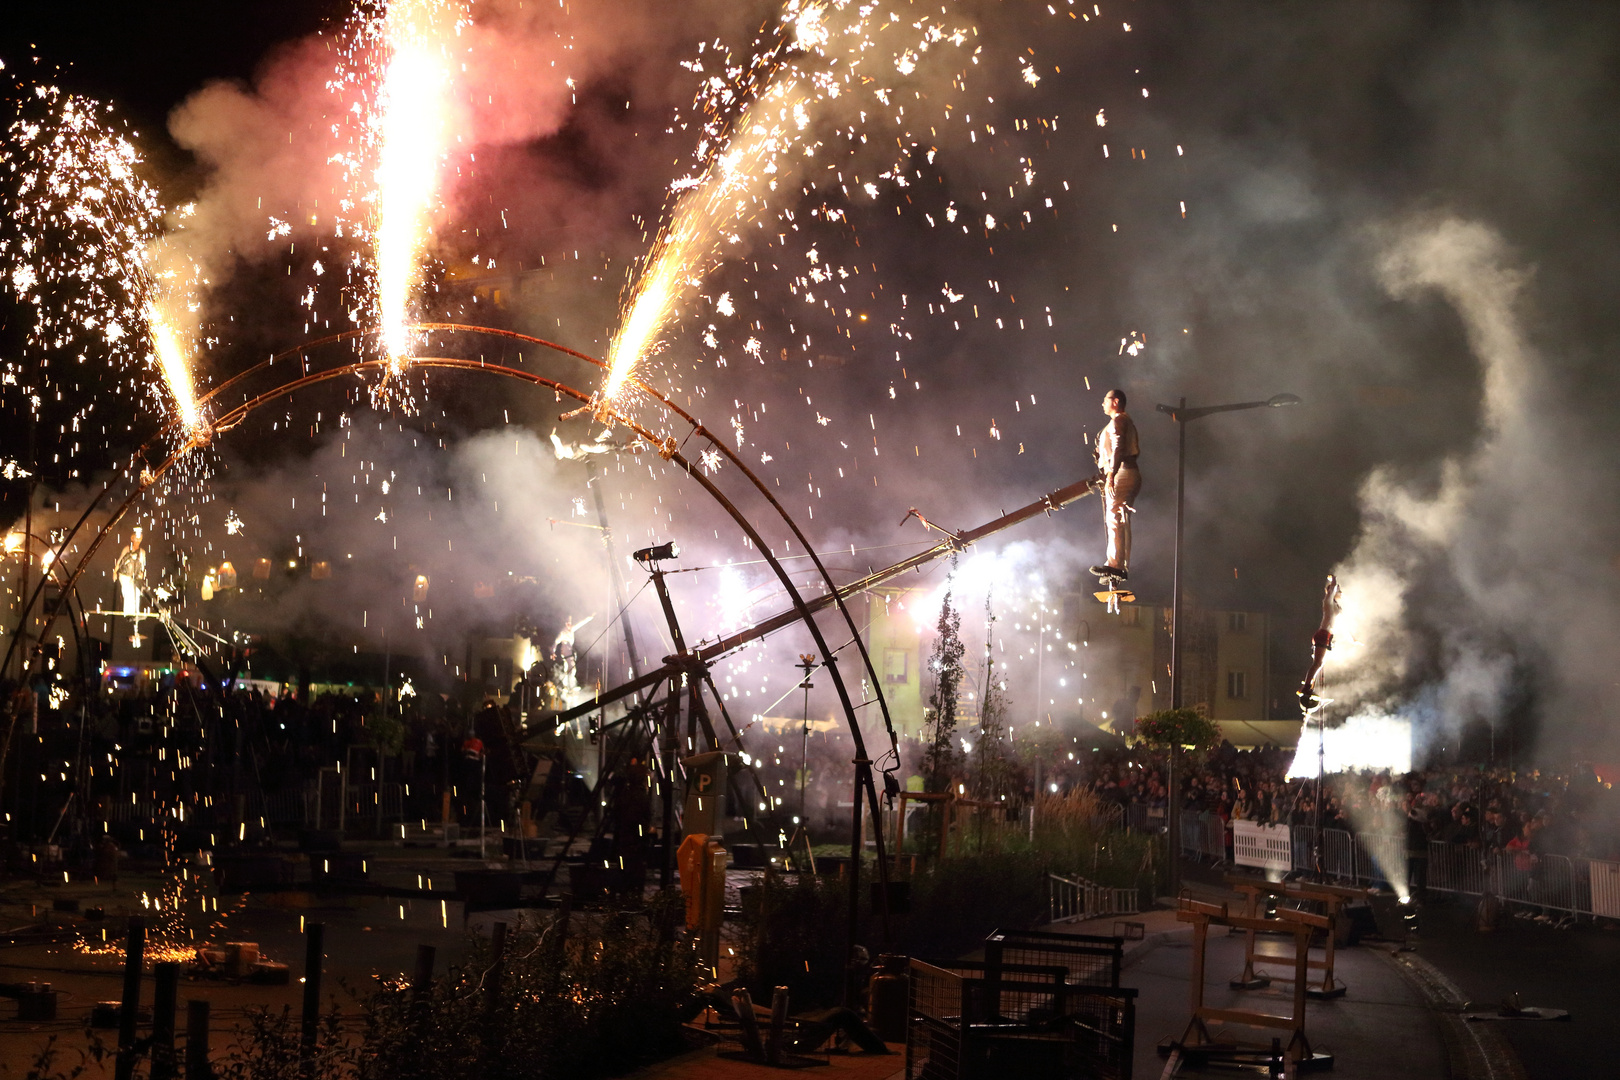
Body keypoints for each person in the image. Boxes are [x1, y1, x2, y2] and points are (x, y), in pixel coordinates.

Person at [1088, 389, 1140, 581]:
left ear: (1115, 402)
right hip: (1126, 472)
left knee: (1115, 519)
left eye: (1105, 399)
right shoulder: (1122, 421)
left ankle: (1115, 565)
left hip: (1122, 473)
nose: (1103, 403)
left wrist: (1111, 474)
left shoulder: (1119, 420)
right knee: (1118, 519)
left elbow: (1118, 449)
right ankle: (1116, 564)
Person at [1297, 574, 1341, 711]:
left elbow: (1341, 626)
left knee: (1319, 664)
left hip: (1327, 636)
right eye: (1339, 591)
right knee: (1318, 663)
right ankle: (1306, 687)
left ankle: (1309, 686)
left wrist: (1353, 639)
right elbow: (1331, 590)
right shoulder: (1328, 601)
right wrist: (1333, 581)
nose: (1341, 593)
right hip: (1323, 635)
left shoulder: (1336, 606)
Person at [112, 526, 147, 646]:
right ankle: (129, 614)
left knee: (137, 594)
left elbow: (142, 566)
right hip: (125, 575)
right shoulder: (127, 549)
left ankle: (135, 614)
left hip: (135, 577)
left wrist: (142, 576)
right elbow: (120, 561)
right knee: (128, 593)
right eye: (135, 538)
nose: (137, 541)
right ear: (132, 539)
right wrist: (115, 572)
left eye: (139, 539)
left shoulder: (142, 552)